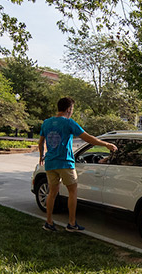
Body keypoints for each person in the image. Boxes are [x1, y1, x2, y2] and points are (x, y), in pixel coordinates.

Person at [39, 97, 117, 232]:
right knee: (72, 192)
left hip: (50, 163)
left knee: (52, 193)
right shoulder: (69, 123)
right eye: (72, 109)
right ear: (69, 109)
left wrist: (41, 156)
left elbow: (40, 142)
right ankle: (72, 223)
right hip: (65, 163)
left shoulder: (46, 123)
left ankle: (49, 222)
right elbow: (87, 137)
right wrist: (106, 144)